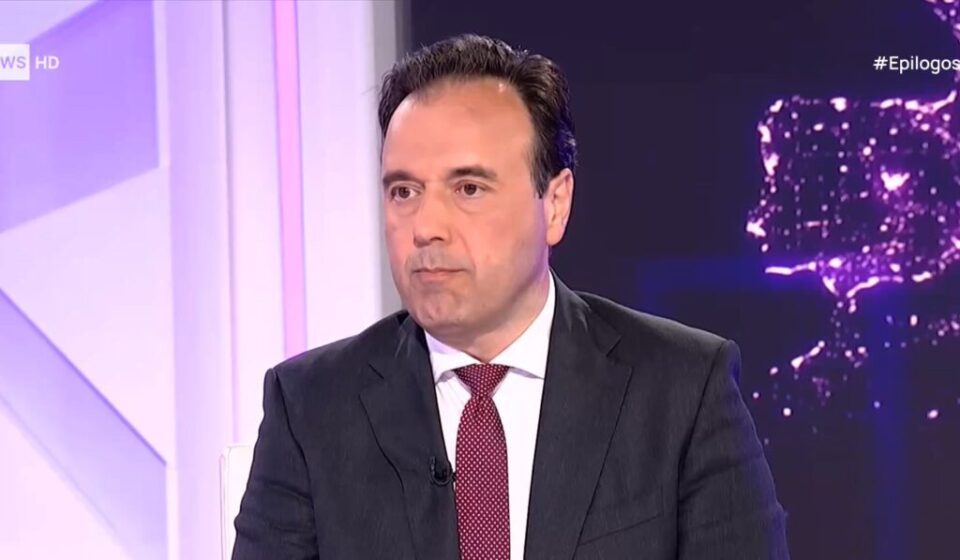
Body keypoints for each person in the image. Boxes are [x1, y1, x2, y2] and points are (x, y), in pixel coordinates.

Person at [233, 34, 789, 560]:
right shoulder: (310, 408)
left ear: (555, 203)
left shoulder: (682, 389)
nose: (425, 227)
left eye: (468, 188)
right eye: (404, 191)